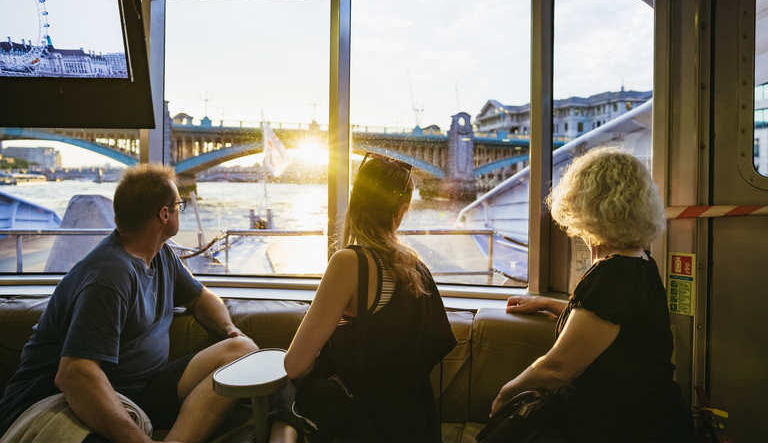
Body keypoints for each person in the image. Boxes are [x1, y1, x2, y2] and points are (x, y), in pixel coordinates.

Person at [0, 163, 298, 443]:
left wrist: (230, 329)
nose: (181, 211)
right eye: (179, 206)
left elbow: (200, 297)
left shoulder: (161, 254)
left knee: (243, 349)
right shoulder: (108, 276)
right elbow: (75, 374)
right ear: (165, 215)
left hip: (144, 387)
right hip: (63, 398)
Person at [490, 147, 696, 443]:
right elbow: (613, 323)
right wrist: (549, 303)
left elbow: (558, 369)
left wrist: (506, 393)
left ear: (584, 204)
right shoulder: (639, 261)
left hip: (623, 426)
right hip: (643, 418)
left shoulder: (613, 274)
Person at [284, 152, 457, 442]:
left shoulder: (350, 263)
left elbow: (295, 365)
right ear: (400, 210)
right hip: (414, 420)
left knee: (282, 403)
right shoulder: (416, 267)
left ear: (354, 202)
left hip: (364, 423)